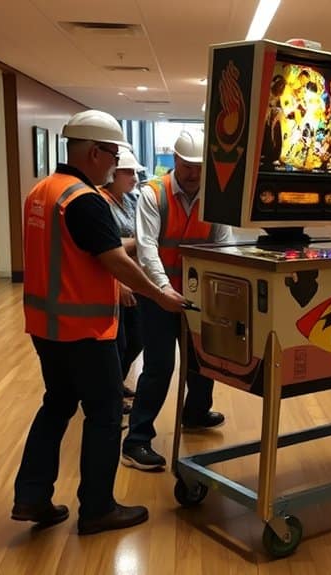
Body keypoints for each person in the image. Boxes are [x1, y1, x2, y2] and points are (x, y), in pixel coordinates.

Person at [11, 110, 185, 535]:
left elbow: (77, 248)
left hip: (45, 326)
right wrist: (158, 295)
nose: (114, 164)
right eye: (111, 155)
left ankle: (31, 496)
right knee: (105, 413)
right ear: (93, 151)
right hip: (84, 330)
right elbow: (113, 262)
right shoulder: (84, 200)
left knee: (57, 404)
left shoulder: (43, 192)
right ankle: (97, 508)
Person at [121, 130, 233, 471]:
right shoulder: (153, 194)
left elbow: (223, 246)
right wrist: (161, 289)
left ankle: (196, 412)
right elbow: (146, 248)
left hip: (198, 295)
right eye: (187, 167)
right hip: (157, 295)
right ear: (175, 160)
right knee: (159, 367)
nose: (194, 174)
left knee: (204, 358)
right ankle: (136, 440)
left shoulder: (216, 197)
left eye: (200, 168)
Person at [98, 149, 146, 407]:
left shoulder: (128, 200)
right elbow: (105, 249)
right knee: (119, 342)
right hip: (115, 281)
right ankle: (111, 393)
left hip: (133, 275)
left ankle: (116, 384)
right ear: (113, 174)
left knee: (136, 339)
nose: (134, 177)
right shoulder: (101, 203)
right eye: (129, 172)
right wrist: (120, 283)